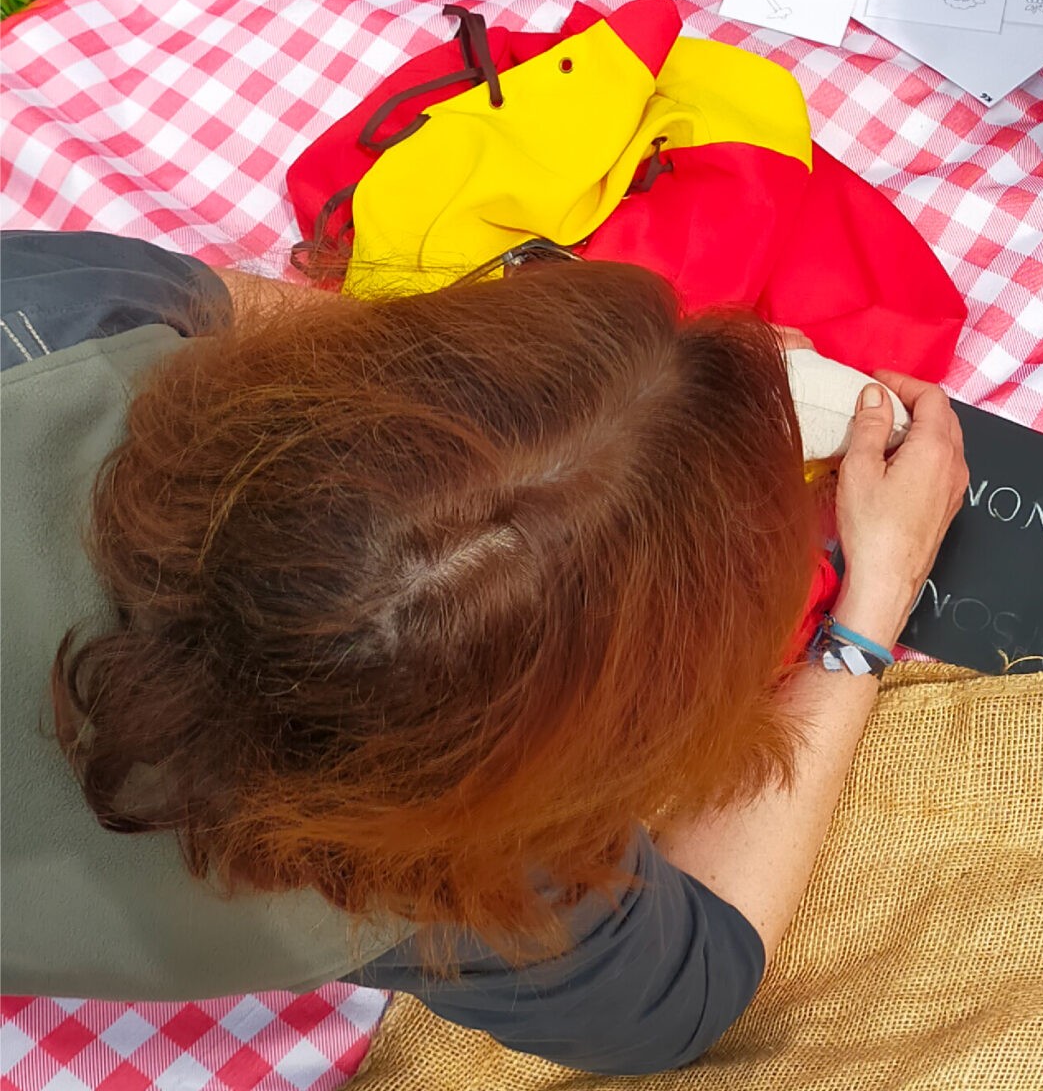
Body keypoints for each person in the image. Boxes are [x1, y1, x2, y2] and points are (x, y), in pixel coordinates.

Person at [0, 231, 966, 1073]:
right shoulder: (456, 871)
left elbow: (230, 310)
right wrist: (872, 603)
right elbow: (693, 986)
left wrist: (559, 392)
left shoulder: (55, 322)